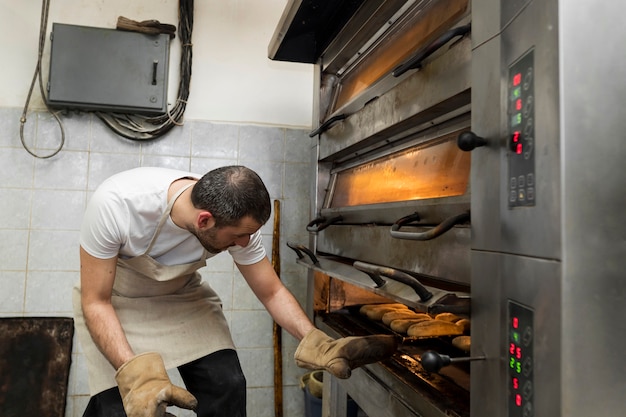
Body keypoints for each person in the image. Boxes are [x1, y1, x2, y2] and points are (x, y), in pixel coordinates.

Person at [73, 165, 397, 417]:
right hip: (115, 303)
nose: (244, 243)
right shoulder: (117, 205)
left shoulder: (236, 219)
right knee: (117, 406)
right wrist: (139, 379)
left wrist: (313, 339)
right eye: (239, 237)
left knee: (227, 384)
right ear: (204, 221)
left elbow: (270, 291)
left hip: (182, 298)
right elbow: (96, 302)